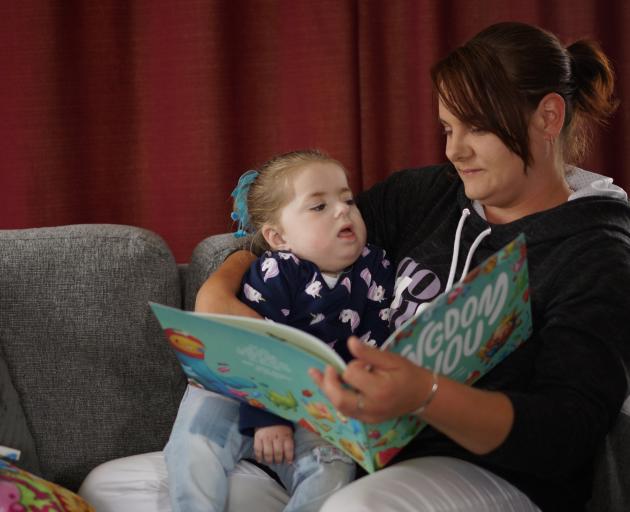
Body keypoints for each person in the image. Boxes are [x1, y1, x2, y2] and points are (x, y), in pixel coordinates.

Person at [79, 21, 630, 512]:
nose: (455, 151)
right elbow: (296, 241)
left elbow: (568, 432)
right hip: (341, 452)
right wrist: (217, 294)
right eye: (447, 128)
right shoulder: (425, 194)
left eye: (477, 128)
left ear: (548, 116)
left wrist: (425, 396)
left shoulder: (595, 249)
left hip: (487, 473)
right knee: (116, 488)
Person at [165, 149, 394, 512]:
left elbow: (373, 343)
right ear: (277, 236)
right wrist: (268, 417)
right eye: (319, 207)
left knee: (334, 470)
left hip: (312, 402)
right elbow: (258, 349)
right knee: (195, 445)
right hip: (239, 384)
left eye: (348, 199)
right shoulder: (276, 271)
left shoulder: (376, 267)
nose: (342, 210)